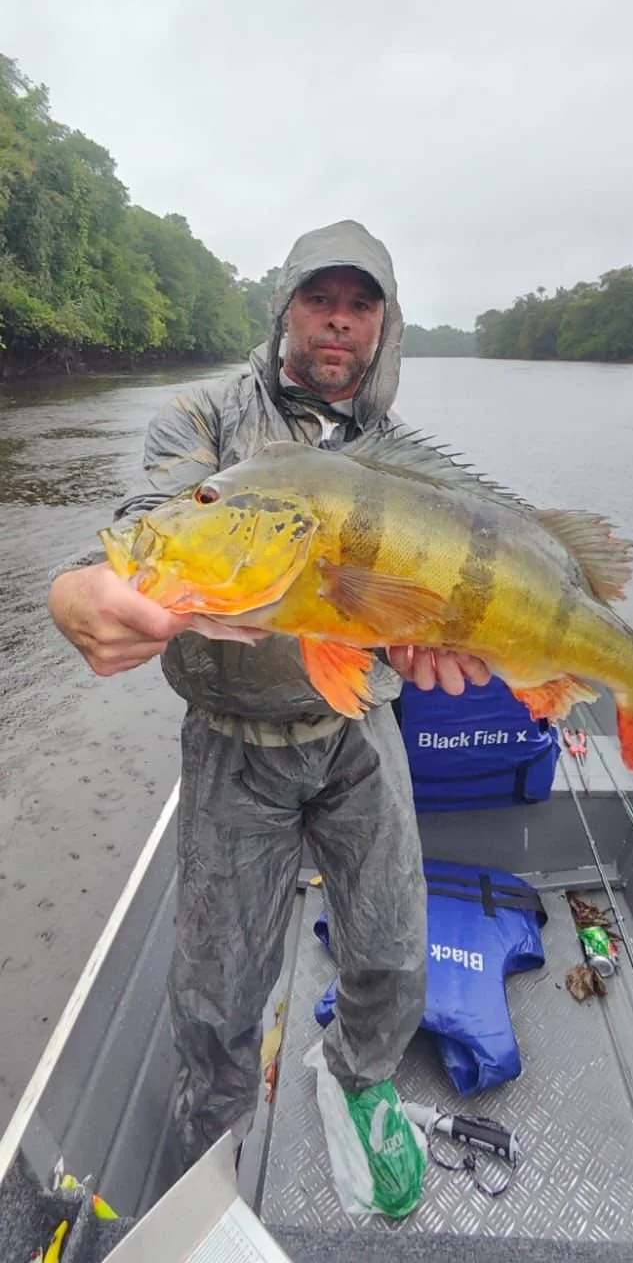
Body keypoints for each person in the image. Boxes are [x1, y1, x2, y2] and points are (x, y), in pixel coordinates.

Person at [48, 219, 489, 1170]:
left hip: (358, 725)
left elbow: (437, 583)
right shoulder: (204, 421)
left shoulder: (402, 458)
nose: (337, 324)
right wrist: (81, 587)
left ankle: (363, 1078)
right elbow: (147, 526)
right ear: (283, 307)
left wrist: (430, 629)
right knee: (214, 986)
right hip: (230, 739)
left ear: (385, 326)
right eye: (318, 300)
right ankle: (214, 1140)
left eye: (359, 307)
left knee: (394, 947)